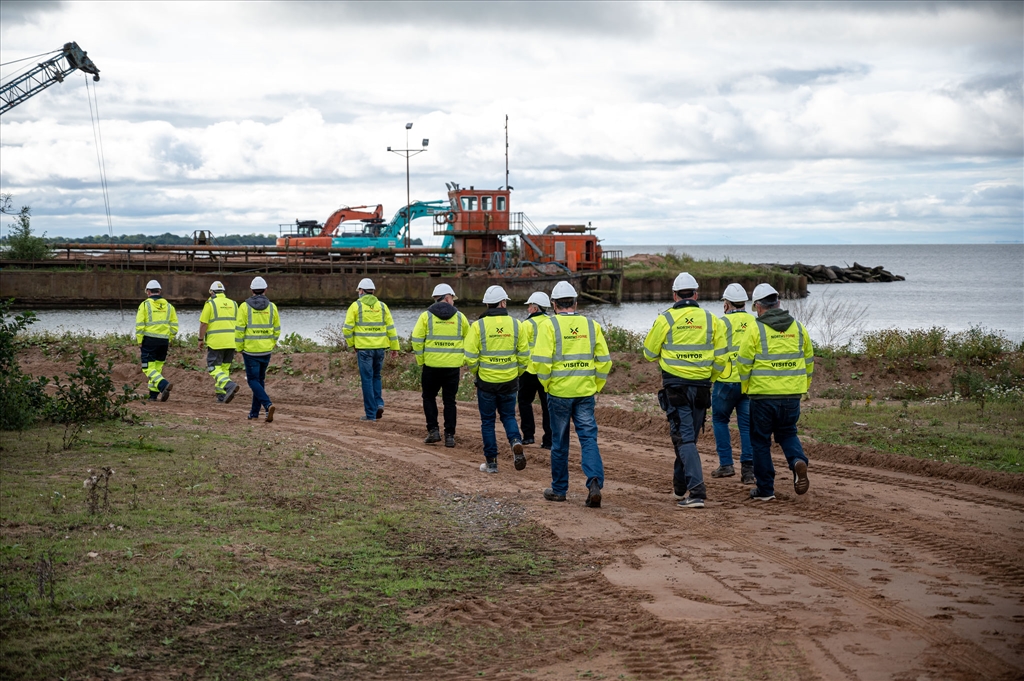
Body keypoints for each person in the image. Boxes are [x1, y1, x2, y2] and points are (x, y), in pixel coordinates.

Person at [642, 272, 729, 510]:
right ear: (696, 294)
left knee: (684, 439)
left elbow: (648, 353)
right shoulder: (712, 320)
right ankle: (680, 485)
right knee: (687, 439)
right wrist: (708, 377)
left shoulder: (666, 319)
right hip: (702, 388)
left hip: (677, 387)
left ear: (674, 295)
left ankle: (697, 492)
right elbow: (722, 358)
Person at [532, 281, 611, 507]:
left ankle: (559, 490)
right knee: (588, 439)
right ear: (575, 303)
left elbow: (541, 362)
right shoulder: (590, 325)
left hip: (559, 393)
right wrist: (596, 385)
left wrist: (547, 385)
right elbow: (604, 361)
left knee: (559, 442)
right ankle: (594, 482)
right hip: (585, 392)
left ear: (554, 305)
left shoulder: (549, 325)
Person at [737, 283, 813, 502]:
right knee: (788, 432)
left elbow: (743, 363)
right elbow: (809, 360)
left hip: (762, 396)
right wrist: (802, 386)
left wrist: (746, 388)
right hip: (791, 396)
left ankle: (765, 490)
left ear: (759, 307)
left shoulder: (755, 328)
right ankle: (798, 460)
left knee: (760, 441)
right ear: (778, 303)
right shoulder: (798, 327)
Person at [464, 285, 528, 474]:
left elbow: (470, 356)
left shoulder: (478, 326)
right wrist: (517, 373)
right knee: (508, 416)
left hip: (486, 382)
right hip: (509, 381)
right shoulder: (517, 324)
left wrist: (478, 372)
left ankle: (491, 463)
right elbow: (524, 356)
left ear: (487, 304)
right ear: (503, 302)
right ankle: (515, 441)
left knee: (488, 422)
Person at [411, 283, 469, 448]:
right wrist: (463, 359)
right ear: (448, 298)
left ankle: (433, 431)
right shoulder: (460, 317)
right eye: (453, 299)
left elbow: (416, 340)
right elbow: (470, 341)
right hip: (452, 368)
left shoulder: (426, 317)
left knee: (429, 398)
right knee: (449, 401)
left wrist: (421, 360)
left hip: (431, 367)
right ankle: (449, 436)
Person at [711, 283, 757, 483]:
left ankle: (726, 464)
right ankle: (748, 471)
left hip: (725, 381)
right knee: (746, 426)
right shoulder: (756, 322)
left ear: (726, 303)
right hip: (749, 382)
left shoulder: (720, 323)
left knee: (720, 421)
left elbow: (713, 349)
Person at [343, 278, 399, 421]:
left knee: (367, 379)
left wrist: (352, 344)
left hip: (364, 349)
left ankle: (371, 414)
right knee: (376, 376)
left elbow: (347, 329)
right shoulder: (382, 306)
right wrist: (395, 348)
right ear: (373, 291)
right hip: (380, 349)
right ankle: (379, 404)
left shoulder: (356, 306)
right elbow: (391, 329)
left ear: (361, 291)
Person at [235, 276, 281, 422]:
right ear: (266, 290)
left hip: (250, 350)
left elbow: (239, 330)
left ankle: (267, 405)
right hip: (266, 350)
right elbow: (277, 329)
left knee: (252, 380)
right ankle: (254, 413)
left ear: (251, 290)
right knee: (259, 381)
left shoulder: (244, 306)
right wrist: (271, 343)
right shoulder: (272, 307)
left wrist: (239, 347)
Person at [518, 291, 553, 450]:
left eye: (529, 306)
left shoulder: (526, 325)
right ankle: (549, 441)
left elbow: (521, 348)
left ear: (534, 307)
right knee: (547, 405)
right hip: (547, 370)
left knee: (525, 402)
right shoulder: (553, 322)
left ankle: (528, 436)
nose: (527, 309)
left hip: (529, 370)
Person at [135, 279, 178, 402]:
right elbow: (174, 327)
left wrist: (140, 340)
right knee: (157, 368)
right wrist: (169, 338)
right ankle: (153, 396)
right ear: (159, 291)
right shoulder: (170, 307)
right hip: (164, 341)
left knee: (147, 367)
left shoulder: (144, 305)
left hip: (149, 341)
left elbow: (139, 325)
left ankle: (163, 385)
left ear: (148, 292)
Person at [198, 280, 240, 403]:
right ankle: (222, 395)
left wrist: (200, 339)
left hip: (216, 342)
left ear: (211, 292)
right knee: (224, 368)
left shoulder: (210, 304)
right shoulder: (233, 304)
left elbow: (203, 323)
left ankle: (228, 385)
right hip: (231, 342)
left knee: (213, 368)